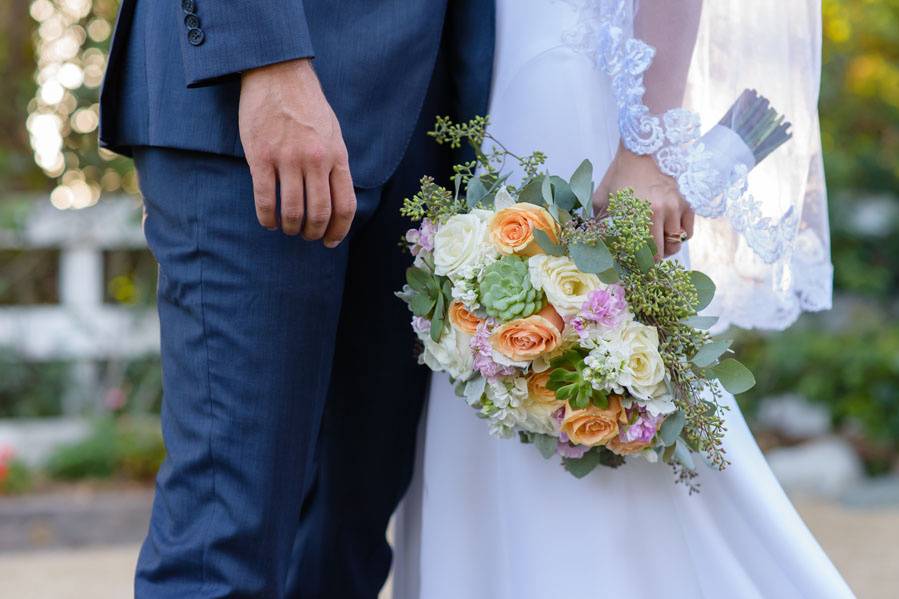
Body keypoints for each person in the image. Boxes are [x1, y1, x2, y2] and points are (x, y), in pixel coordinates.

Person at [392, 1, 854, 598]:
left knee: (591, 336)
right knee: (490, 372)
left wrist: (647, 144)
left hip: (579, 77)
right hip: (502, 68)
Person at [98, 1, 494, 597]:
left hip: (437, 122)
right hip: (251, 94)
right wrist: (267, 59)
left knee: (346, 532)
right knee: (223, 537)